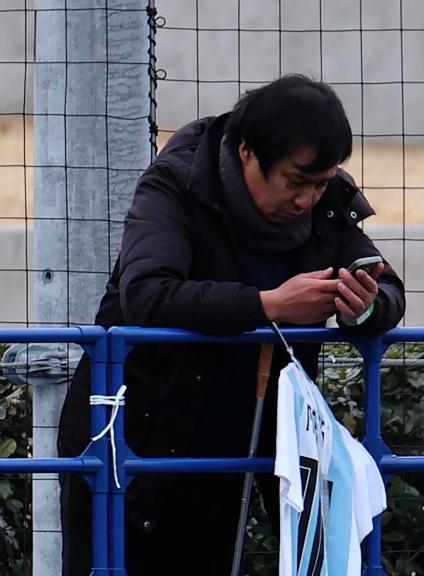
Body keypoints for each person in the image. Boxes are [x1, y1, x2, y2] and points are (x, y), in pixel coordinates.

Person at [57, 74, 405, 575]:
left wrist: (365, 305)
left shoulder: (328, 202)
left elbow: (386, 287)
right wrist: (268, 305)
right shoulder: (175, 183)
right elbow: (147, 295)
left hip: (242, 450)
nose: (307, 199)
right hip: (129, 447)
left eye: (321, 182)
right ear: (246, 152)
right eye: (296, 181)